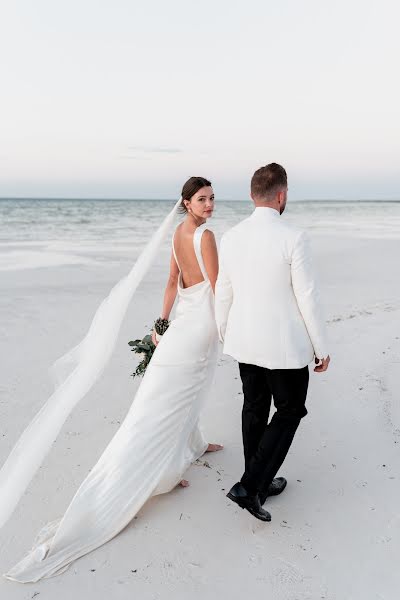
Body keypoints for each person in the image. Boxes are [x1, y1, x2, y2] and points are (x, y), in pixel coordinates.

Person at [3, 176, 222, 582]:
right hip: (203, 324)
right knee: (188, 390)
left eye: (212, 198)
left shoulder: (176, 234)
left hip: (183, 324)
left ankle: (193, 443)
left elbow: (173, 282)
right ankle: (162, 466)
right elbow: (219, 288)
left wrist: (162, 325)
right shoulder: (205, 236)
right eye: (202, 199)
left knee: (173, 394)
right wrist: (231, 327)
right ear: (187, 203)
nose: (209, 205)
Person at [215, 163, 330, 522]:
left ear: (252, 196)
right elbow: (306, 297)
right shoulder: (294, 237)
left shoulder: (231, 236)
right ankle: (250, 486)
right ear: (281, 195)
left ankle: (259, 482)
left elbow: (223, 290)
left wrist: (223, 331)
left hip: (244, 339)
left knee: (254, 408)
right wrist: (321, 347)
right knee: (291, 410)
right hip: (283, 344)